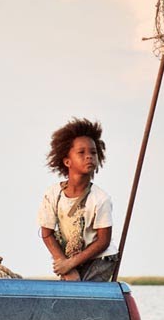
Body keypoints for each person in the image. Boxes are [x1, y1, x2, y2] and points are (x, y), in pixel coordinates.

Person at [37, 118, 118, 281]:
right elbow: (47, 233)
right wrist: (64, 264)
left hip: (99, 258)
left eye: (93, 153)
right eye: (82, 153)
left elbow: (103, 241)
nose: (89, 157)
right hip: (71, 258)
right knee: (69, 286)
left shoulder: (100, 198)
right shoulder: (53, 194)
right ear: (67, 161)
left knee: (82, 289)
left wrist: (71, 263)